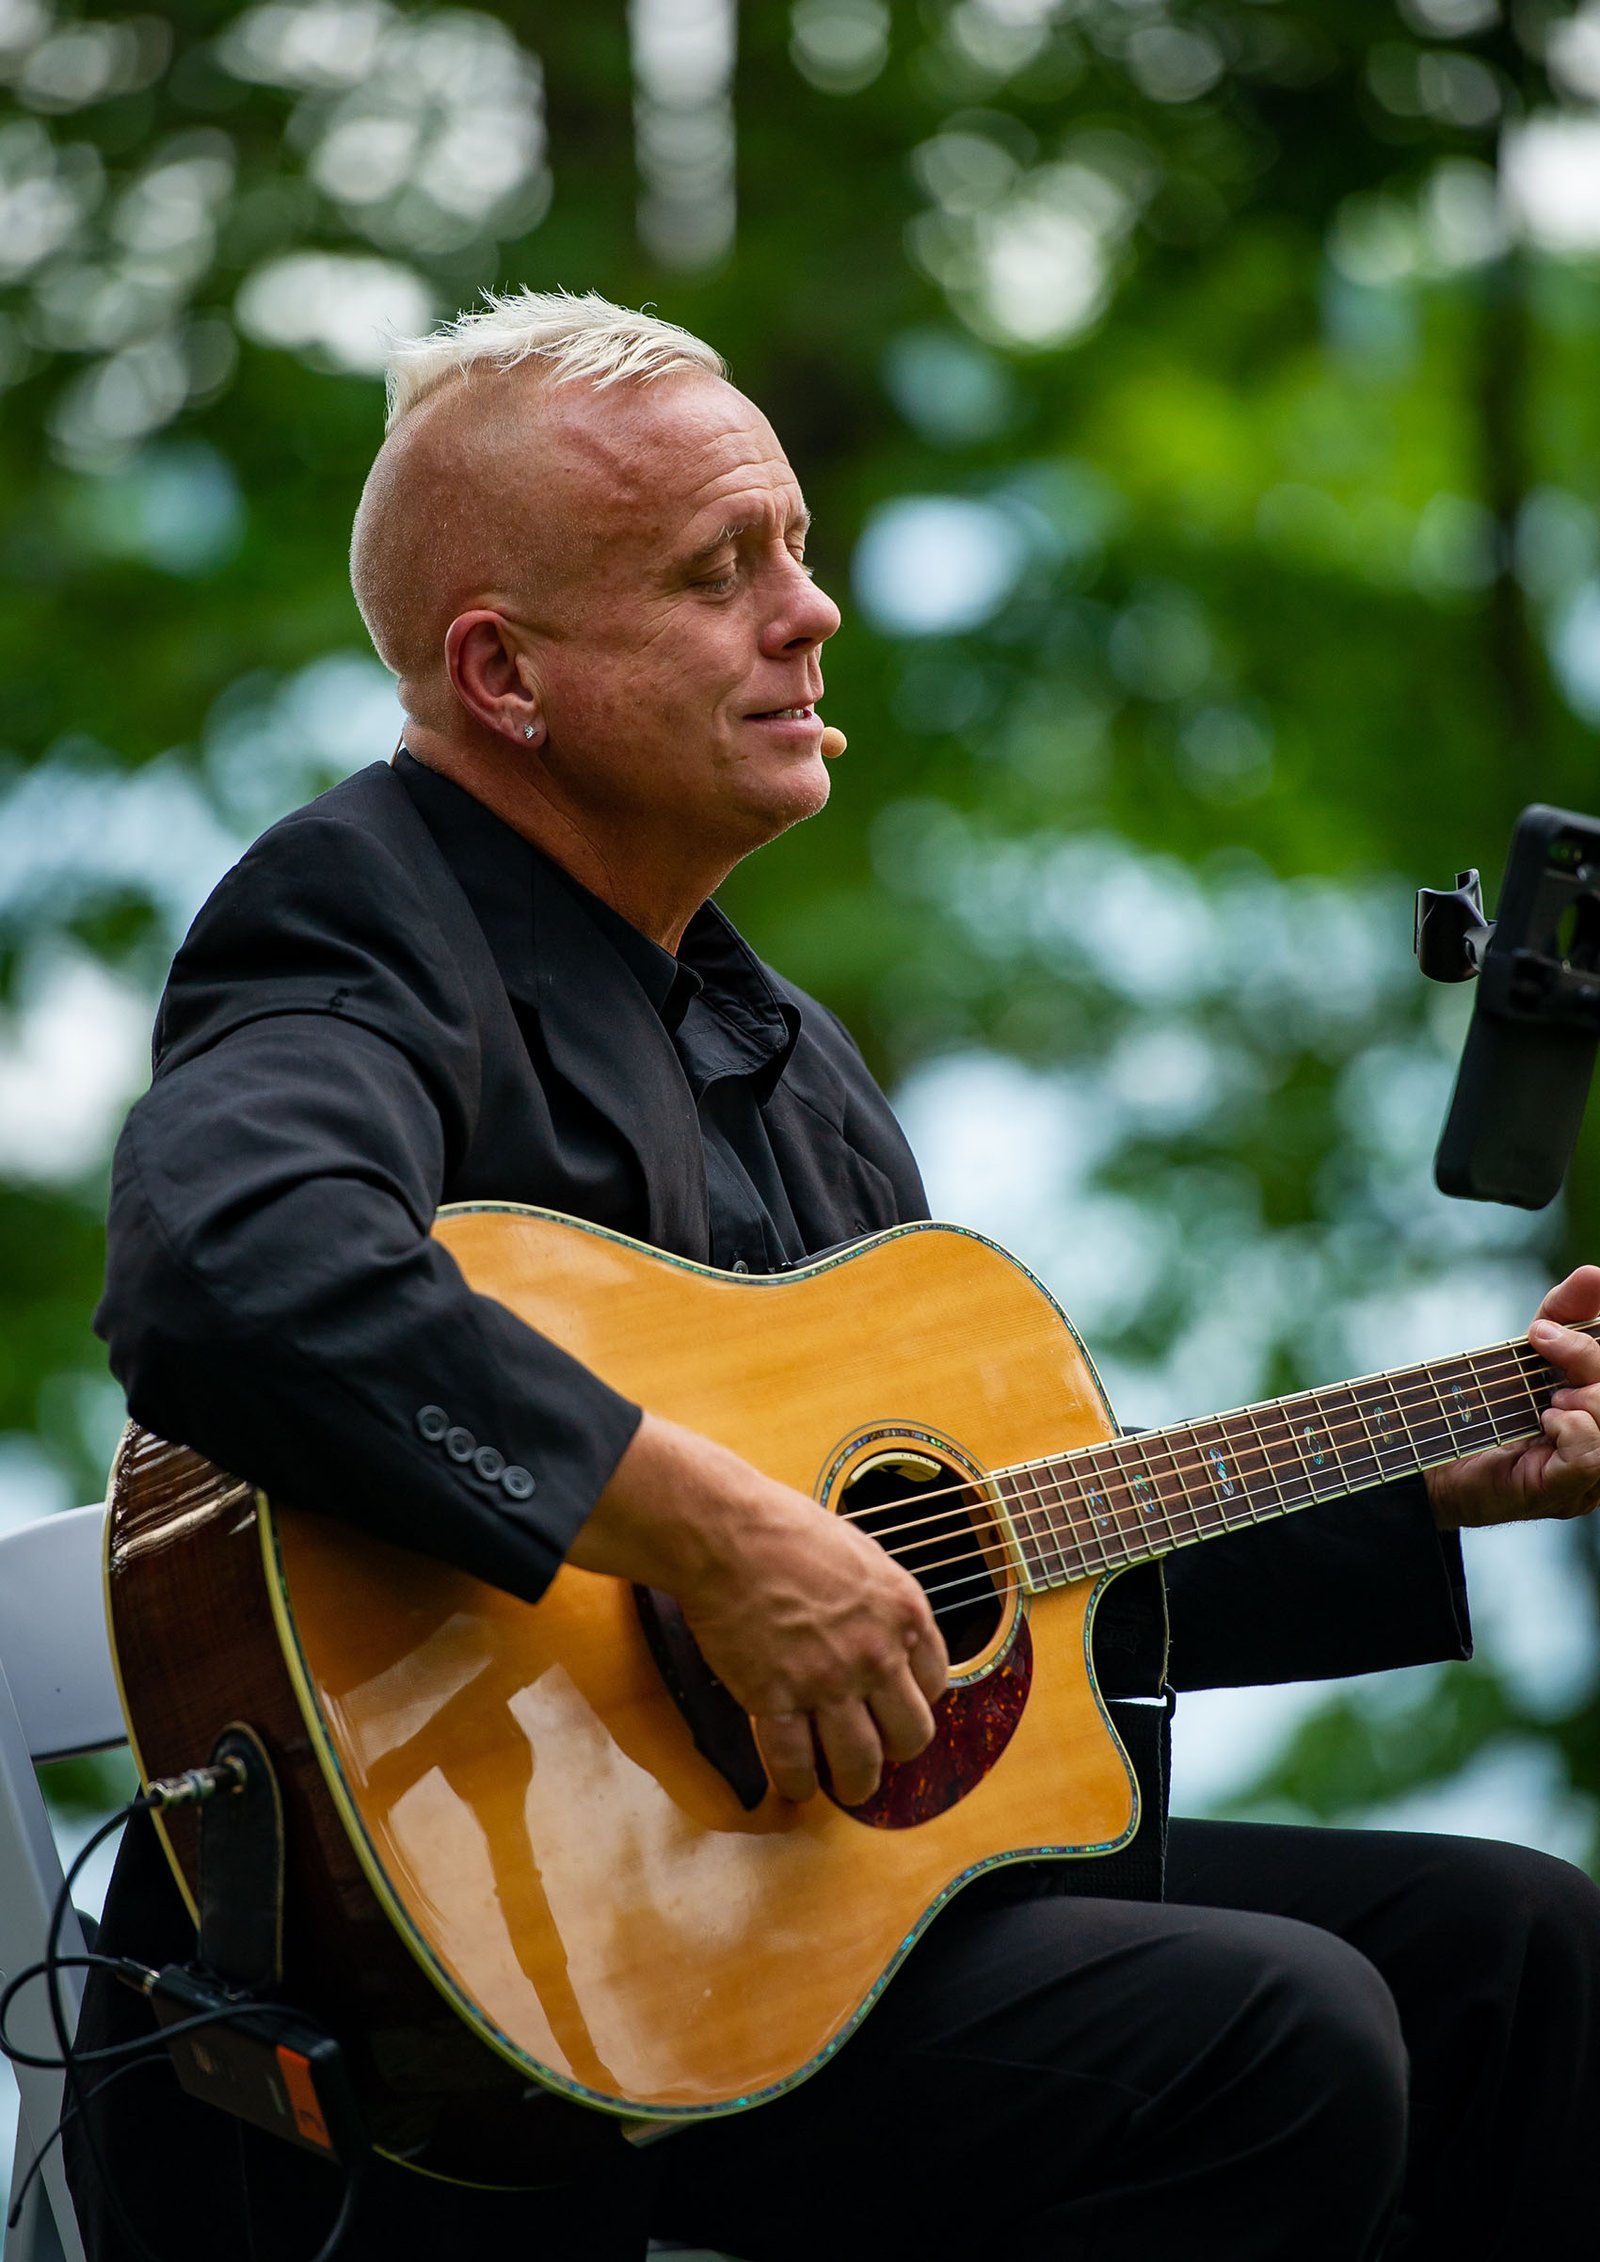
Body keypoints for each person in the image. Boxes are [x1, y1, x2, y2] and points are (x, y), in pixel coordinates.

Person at [75, 291, 1600, 2260]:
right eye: (718, 572)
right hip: (457, 2026)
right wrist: (703, 1529)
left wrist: (1425, 1478)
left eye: (793, 548)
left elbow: (967, 1581)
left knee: (1517, 1950)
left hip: (788, 1916)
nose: (811, 613)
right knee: (1272, 2034)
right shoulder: (357, 915)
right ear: (503, 673)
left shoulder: (785, 1055)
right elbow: (228, 1267)